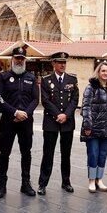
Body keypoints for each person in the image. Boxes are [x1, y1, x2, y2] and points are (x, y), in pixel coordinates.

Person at [0, 47, 39, 198]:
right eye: (17, 58)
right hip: (8, 120)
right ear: (12, 59)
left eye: (22, 58)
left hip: (26, 121)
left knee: (26, 153)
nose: (19, 61)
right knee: (4, 153)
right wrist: (14, 112)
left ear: (25, 60)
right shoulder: (3, 77)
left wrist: (25, 113)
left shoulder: (31, 78)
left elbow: (35, 99)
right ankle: (2, 184)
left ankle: (25, 184)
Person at [37, 52, 79, 194]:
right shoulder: (46, 80)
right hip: (51, 121)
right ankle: (42, 183)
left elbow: (74, 99)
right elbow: (45, 100)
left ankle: (66, 182)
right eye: (59, 62)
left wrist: (66, 115)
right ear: (53, 63)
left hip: (67, 122)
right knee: (48, 153)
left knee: (66, 154)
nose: (62, 65)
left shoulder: (72, 79)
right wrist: (58, 114)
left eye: (64, 62)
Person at [80, 62, 107, 193]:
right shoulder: (91, 87)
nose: (105, 73)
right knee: (93, 154)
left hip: (106, 128)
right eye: (103, 71)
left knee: (103, 155)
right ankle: (91, 180)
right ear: (98, 72)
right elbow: (86, 106)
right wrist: (88, 125)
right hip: (93, 128)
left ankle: (99, 179)